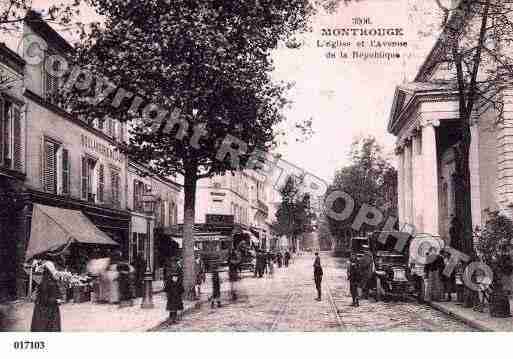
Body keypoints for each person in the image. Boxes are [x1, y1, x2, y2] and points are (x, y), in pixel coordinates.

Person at [30, 248, 69, 332]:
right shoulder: (48, 263)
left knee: (41, 312)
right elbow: (56, 275)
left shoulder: (37, 262)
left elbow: (36, 275)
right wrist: (65, 275)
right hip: (48, 288)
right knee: (50, 312)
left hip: (43, 289)